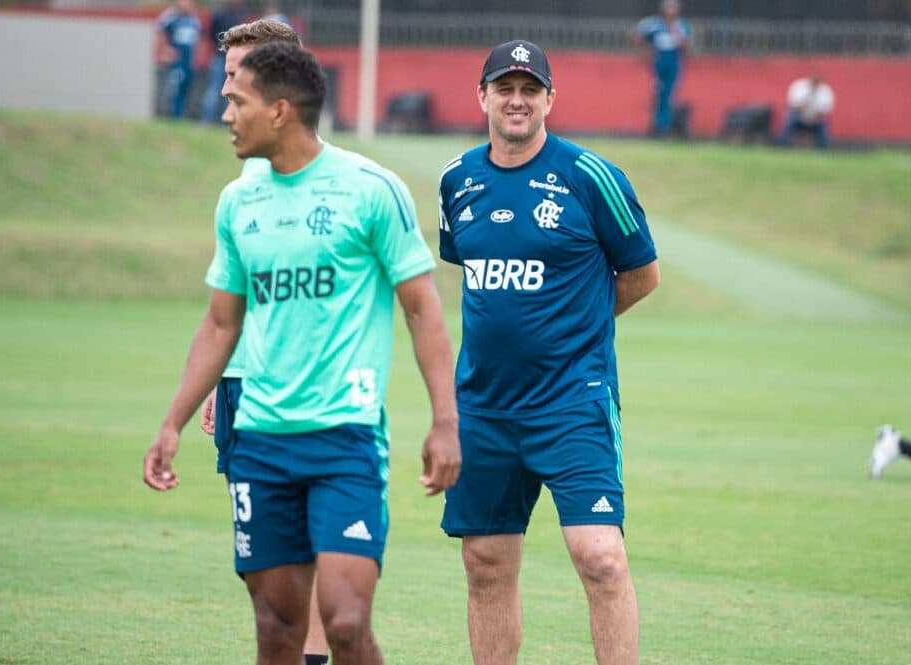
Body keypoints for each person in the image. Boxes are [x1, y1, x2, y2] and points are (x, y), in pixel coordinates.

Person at [143, 42, 460, 665]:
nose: (226, 113)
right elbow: (219, 325)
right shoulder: (239, 201)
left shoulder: (372, 190)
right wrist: (171, 423)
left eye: (237, 101)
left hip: (345, 437)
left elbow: (423, 308)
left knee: (344, 623)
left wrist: (445, 421)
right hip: (261, 441)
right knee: (277, 628)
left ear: (281, 110)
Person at [438, 39, 660, 665]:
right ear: (481, 96)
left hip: (571, 402)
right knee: (484, 563)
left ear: (549, 100)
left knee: (601, 556)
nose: (516, 100)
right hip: (484, 405)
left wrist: (577, 327)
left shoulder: (591, 177)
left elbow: (642, 273)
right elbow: (465, 265)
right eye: (504, 89)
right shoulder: (457, 180)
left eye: (529, 90)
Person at [197, 18, 330, 664]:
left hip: (307, 389)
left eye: (242, 80)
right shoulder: (237, 191)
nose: (230, 93)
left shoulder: (335, 185)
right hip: (240, 388)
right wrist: (210, 382)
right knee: (261, 565)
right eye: (228, 78)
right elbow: (228, 306)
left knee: (312, 555)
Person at [630, 0, 691, 137]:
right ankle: (657, 126)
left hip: (674, 64)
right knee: (658, 94)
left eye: (674, 7)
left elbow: (687, 46)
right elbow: (636, 35)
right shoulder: (653, 24)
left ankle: (663, 127)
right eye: (668, 7)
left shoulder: (681, 25)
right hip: (658, 64)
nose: (671, 10)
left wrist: (680, 40)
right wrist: (646, 51)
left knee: (668, 95)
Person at [199, 0, 246, 124]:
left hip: (234, 61)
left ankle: (225, 121)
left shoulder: (239, 16)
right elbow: (210, 36)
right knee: (214, 90)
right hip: (219, 58)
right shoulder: (219, 15)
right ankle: (207, 121)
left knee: (229, 92)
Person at [156, 0, 202, 118]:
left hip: (189, 63)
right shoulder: (171, 17)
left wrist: (197, 58)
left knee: (186, 89)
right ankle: (172, 116)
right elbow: (158, 31)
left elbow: (198, 41)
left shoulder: (194, 20)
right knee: (174, 89)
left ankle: (181, 116)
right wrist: (164, 51)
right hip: (177, 62)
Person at [779, 73, 834, 148]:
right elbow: (793, 107)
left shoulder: (825, 90)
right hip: (799, 117)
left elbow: (825, 111)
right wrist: (808, 96)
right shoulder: (799, 86)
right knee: (790, 120)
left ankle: (824, 148)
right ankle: (783, 145)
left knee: (823, 125)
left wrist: (813, 118)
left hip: (816, 119)